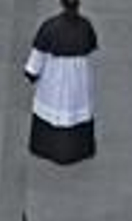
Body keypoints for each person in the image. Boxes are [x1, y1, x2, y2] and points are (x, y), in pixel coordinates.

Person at [23, 0, 98, 165]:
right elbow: (91, 49)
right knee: (75, 113)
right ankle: (78, 150)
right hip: (79, 82)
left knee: (54, 112)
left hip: (54, 82)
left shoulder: (49, 27)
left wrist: (31, 73)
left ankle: (49, 148)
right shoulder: (86, 26)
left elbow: (37, 58)